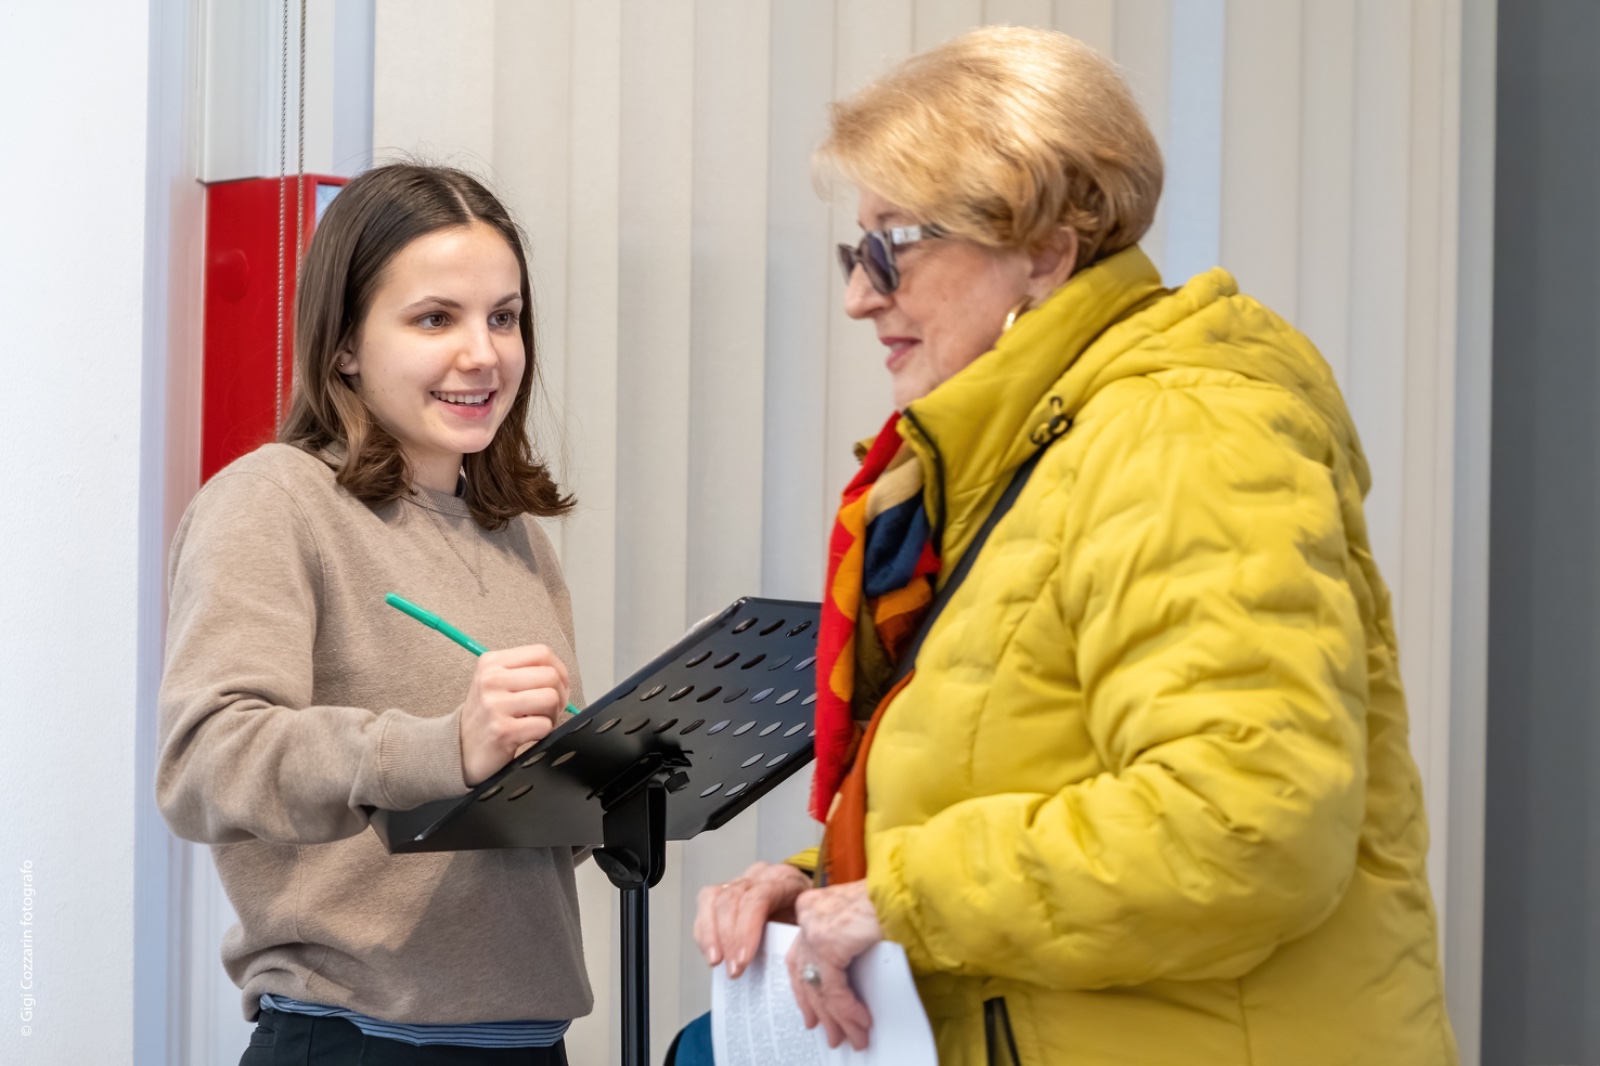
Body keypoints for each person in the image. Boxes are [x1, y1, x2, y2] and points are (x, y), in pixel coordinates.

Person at [689, 26, 1459, 1065]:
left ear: (1046, 253)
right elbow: (1019, 778)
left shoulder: (1184, 437)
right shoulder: (1031, 454)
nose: (859, 295)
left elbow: (1245, 823)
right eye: (853, 250)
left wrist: (898, 899)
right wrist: (828, 884)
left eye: (892, 247)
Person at [158, 164, 590, 1065]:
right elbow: (206, 762)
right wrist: (440, 747)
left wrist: (614, 777)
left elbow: (514, 836)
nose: (483, 354)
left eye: (503, 317)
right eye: (435, 319)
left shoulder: (514, 536)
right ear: (346, 344)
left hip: (527, 1040)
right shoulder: (273, 502)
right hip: (357, 1041)